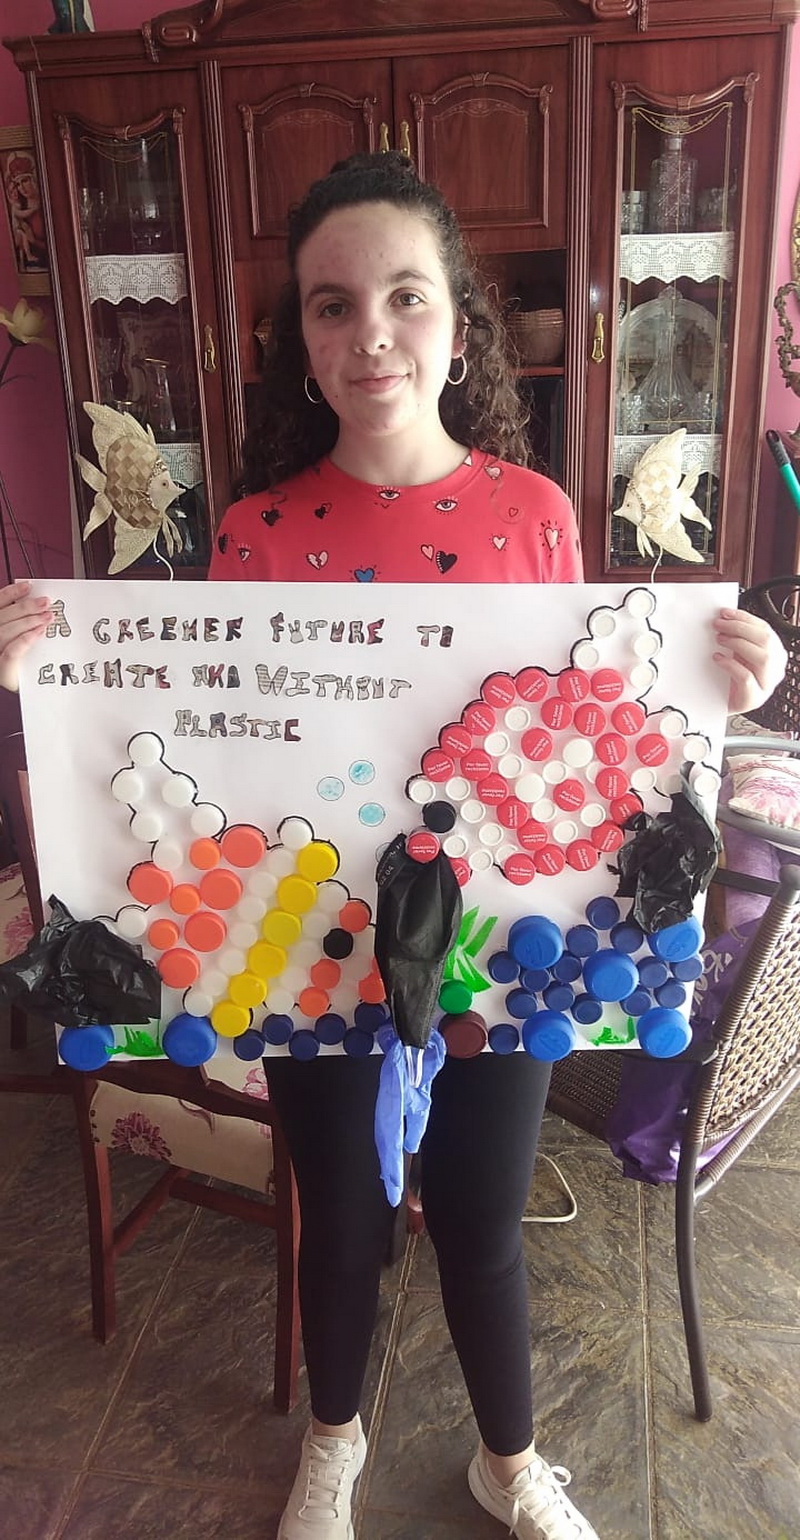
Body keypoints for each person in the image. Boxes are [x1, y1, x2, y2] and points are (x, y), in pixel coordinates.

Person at [0, 153, 787, 1540]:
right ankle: (335, 1440)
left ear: (458, 324)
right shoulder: (254, 531)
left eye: (405, 296)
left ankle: (509, 1460)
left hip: (502, 947)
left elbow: (593, 721)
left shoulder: (536, 515)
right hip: (321, 942)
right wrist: (45, 679)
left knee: (480, 1220)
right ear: (302, 342)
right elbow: (201, 729)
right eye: (333, 305)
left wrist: (724, 682)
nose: (371, 332)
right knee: (344, 1218)